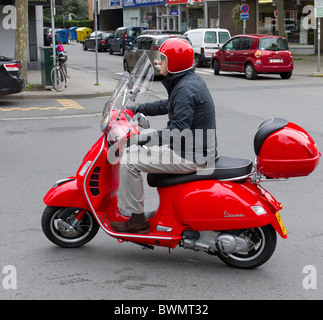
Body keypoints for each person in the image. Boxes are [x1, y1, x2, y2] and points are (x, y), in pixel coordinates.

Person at [111, 38, 217, 234]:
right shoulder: (187, 82)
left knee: (129, 160)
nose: (159, 63)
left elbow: (177, 131)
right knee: (135, 151)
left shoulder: (185, 88)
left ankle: (137, 220)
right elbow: (168, 105)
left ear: (175, 63)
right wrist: (136, 108)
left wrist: (141, 138)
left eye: (164, 59)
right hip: (192, 149)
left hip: (190, 155)